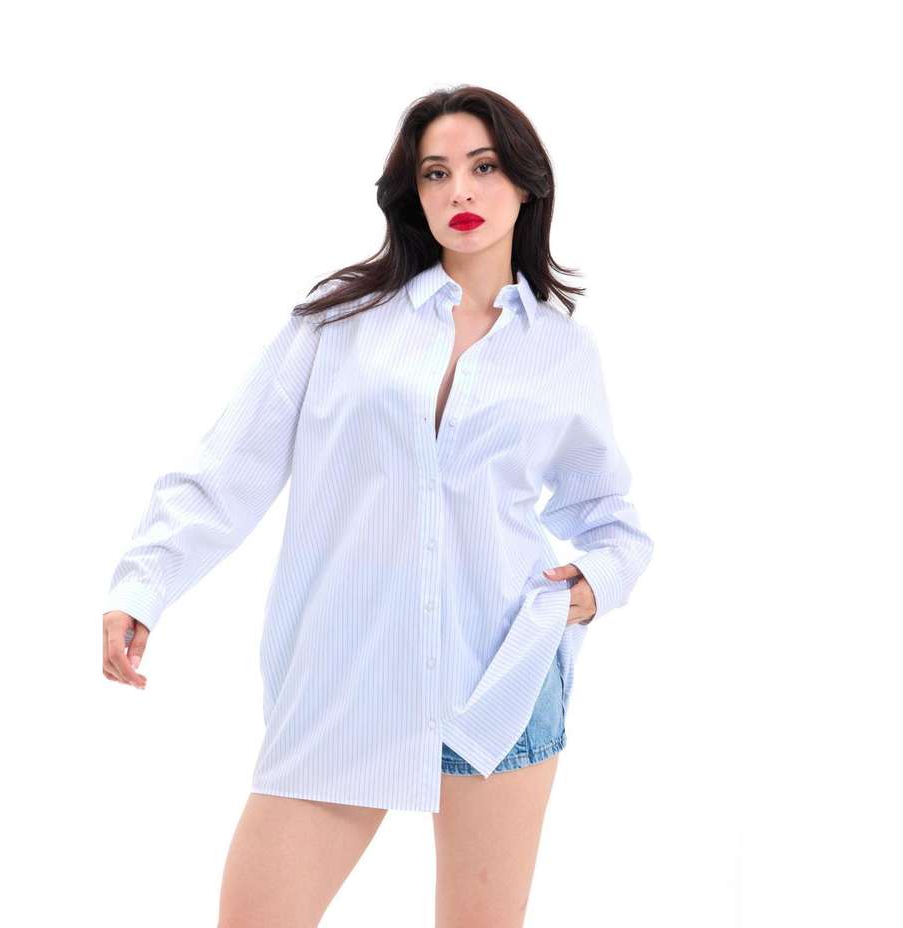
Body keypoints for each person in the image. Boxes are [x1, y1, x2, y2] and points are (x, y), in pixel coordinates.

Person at [101, 84, 654, 927]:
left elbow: (611, 518)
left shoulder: (562, 352)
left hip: (501, 680)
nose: (460, 190)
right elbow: (230, 464)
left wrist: (592, 586)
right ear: (412, 194)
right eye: (436, 172)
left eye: (484, 167)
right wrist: (144, 586)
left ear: (527, 183)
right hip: (348, 678)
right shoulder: (343, 321)